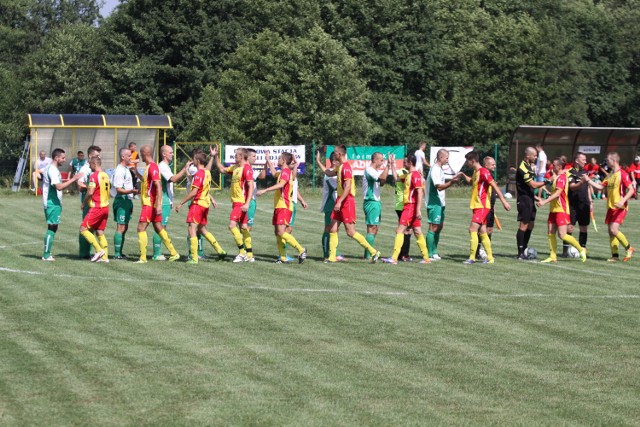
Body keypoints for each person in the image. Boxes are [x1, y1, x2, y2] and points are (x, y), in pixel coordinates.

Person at [316, 145, 380, 263]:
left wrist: (339, 202)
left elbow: (348, 187)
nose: (333, 154)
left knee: (350, 232)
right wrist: (318, 161)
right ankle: (331, 257)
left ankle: (373, 252)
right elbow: (328, 173)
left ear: (339, 154)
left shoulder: (346, 167)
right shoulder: (340, 167)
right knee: (332, 229)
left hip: (346, 202)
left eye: (335, 153)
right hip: (340, 200)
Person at [175, 150, 226, 264]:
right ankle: (220, 250)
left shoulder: (199, 174)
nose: (192, 161)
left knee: (191, 229)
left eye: (194, 159)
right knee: (202, 229)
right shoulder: (207, 172)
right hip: (205, 205)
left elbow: (194, 192)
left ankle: (194, 258)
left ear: (197, 161)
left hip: (198, 204)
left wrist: (181, 203)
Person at [460, 151, 511, 264]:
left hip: (482, 206)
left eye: (467, 161)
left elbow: (494, 186)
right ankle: (490, 258)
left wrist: (504, 201)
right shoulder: (476, 172)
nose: (466, 164)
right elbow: (471, 182)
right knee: (482, 231)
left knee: (472, 229)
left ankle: (472, 258)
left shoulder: (484, 172)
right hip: (477, 205)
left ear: (472, 161)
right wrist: (462, 175)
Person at [583, 152, 635, 262]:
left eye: (608, 160)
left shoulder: (623, 174)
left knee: (613, 229)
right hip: (611, 207)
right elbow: (601, 186)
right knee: (611, 232)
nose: (606, 162)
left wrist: (623, 201)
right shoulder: (610, 175)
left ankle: (629, 248)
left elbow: (631, 190)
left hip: (620, 207)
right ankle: (615, 256)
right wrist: (589, 181)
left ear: (614, 161)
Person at [257, 152, 307, 263]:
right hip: (279, 206)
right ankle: (283, 257)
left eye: (279, 158)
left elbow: (281, 184)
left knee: (281, 232)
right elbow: (274, 172)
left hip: (284, 205)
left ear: (284, 160)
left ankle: (301, 249)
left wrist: (265, 190)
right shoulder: (282, 172)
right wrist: (268, 160)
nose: (278, 160)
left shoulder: (286, 172)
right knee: (277, 232)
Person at [383, 154, 431, 264]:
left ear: (410, 162)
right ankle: (426, 258)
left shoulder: (415, 175)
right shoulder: (409, 175)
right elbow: (396, 178)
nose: (404, 163)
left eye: (405, 162)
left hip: (410, 206)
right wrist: (391, 164)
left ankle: (394, 258)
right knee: (417, 231)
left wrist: (418, 209)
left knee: (400, 230)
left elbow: (420, 192)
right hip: (411, 207)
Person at [536, 159, 587, 263]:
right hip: (553, 209)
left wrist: (544, 202)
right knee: (550, 232)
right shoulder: (557, 177)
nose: (552, 167)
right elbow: (553, 193)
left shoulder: (562, 178)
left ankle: (581, 250)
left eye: (554, 165)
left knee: (562, 235)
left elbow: (558, 194)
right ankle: (553, 256)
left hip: (561, 210)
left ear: (559, 167)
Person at [136, 144, 180, 263]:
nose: (141, 156)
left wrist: (159, 204)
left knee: (141, 228)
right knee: (159, 227)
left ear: (145, 154)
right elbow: (149, 184)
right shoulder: (149, 167)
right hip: (150, 203)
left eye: (141, 154)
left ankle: (143, 258)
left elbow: (158, 186)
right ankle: (174, 253)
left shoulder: (153, 167)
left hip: (150, 204)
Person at [212, 145, 255, 262]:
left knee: (232, 226)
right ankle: (250, 255)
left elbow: (251, 186)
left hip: (241, 202)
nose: (234, 157)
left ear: (241, 156)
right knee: (244, 227)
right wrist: (216, 156)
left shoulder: (246, 168)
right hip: (237, 202)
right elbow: (222, 169)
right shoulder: (236, 167)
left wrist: (246, 203)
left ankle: (242, 252)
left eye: (236, 155)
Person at [41, 149, 84, 261]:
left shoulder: (52, 169)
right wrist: (74, 179)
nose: (64, 160)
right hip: (52, 202)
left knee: (53, 227)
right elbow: (59, 187)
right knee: (52, 227)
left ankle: (47, 253)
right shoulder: (52, 170)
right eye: (63, 158)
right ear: (56, 157)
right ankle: (46, 255)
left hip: (53, 202)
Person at [153, 145, 190, 260]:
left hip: (166, 200)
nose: (172, 154)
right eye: (170, 152)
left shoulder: (166, 166)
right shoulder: (162, 166)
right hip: (162, 201)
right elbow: (173, 179)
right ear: (164, 154)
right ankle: (156, 254)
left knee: (162, 227)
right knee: (160, 227)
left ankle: (159, 253)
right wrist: (184, 169)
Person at [425, 148, 460, 260]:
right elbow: (439, 187)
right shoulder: (435, 169)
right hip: (434, 202)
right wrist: (452, 182)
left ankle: (434, 251)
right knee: (433, 227)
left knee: (439, 227)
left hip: (440, 203)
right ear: (440, 157)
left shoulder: (439, 169)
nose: (447, 160)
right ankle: (428, 253)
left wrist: (451, 181)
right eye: (446, 158)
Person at [515, 147, 546, 260]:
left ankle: (524, 249)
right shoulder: (523, 167)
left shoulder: (529, 166)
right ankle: (520, 253)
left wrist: (534, 197)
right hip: (523, 200)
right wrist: (546, 181)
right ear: (528, 156)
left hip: (529, 199)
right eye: (534, 155)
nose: (536, 157)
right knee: (523, 225)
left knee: (531, 224)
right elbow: (532, 185)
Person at [79, 157, 111, 262]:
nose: (89, 166)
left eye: (90, 164)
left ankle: (98, 250)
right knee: (100, 232)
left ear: (94, 163)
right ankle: (105, 257)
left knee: (83, 229)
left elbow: (90, 192)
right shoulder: (106, 175)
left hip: (97, 207)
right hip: (105, 207)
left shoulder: (94, 176)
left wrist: (84, 203)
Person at [111, 147, 139, 259]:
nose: (131, 157)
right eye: (128, 155)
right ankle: (117, 254)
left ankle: (120, 252)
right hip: (121, 200)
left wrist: (134, 192)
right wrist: (131, 191)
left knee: (125, 227)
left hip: (127, 200)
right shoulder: (119, 170)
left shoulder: (126, 169)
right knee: (121, 227)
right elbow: (118, 189)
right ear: (122, 157)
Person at [316, 151, 345, 261]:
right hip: (330, 204)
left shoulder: (336, 172)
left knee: (335, 229)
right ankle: (325, 254)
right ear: (334, 161)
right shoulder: (330, 174)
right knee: (328, 228)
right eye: (339, 160)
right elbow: (335, 187)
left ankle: (334, 253)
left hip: (336, 203)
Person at [362, 152, 390, 258]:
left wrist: (387, 167)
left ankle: (369, 253)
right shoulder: (369, 170)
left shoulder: (375, 171)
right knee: (371, 227)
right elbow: (381, 179)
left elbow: (382, 183)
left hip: (376, 201)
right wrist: (388, 166)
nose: (382, 162)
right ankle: (368, 255)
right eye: (381, 160)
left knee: (375, 228)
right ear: (375, 160)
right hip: (371, 201)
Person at [565, 152, 592, 256]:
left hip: (584, 203)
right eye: (583, 159)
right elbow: (572, 186)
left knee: (584, 227)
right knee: (569, 227)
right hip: (573, 204)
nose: (585, 161)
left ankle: (583, 249)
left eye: (585, 159)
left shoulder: (585, 172)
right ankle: (566, 251)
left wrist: (590, 201)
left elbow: (588, 187)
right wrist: (581, 182)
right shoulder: (570, 172)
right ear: (577, 160)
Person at [77, 145, 102, 259]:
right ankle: (83, 253)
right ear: (90, 156)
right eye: (97, 155)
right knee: (85, 226)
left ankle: (89, 252)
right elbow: (80, 184)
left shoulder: (94, 168)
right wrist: (91, 187)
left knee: (92, 227)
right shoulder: (85, 169)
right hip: (88, 201)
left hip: (95, 201)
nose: (99, 157)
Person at [390, 154, 412, 261]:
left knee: (405, 229)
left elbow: (395, 178)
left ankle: (401, 254)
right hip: (403, 204)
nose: (404, 162)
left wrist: (392, 164)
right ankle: (403, 255)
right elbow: (396, 178)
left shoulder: (404, 172)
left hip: (400, 204)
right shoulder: (405, 172)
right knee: (406, 230)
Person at [476, 157, 499, 259]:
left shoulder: (489, 175)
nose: (494, 166)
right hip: (484, 206)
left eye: (495, 164)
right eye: (492, 164)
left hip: (491, 206)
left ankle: (485, 250)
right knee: (481, 230)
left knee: (489, 230)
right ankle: (478, 251)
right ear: (486, 165)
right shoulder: (483, 173)